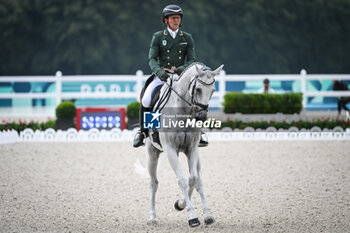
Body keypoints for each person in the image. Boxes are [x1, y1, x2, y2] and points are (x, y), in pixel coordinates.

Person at [133, 4, 208, 148]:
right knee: (147, 98)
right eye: (173, 18)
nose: (176, 20)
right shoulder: (158, 37)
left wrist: (183, 69)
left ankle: (199, 132)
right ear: (166, 20)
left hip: (181, 76)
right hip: (163, 75)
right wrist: (159, 72)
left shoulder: (187, 37)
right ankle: (143, 131)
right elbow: (152, 59)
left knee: (193, 98)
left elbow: (192, 60)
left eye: (178, 18)